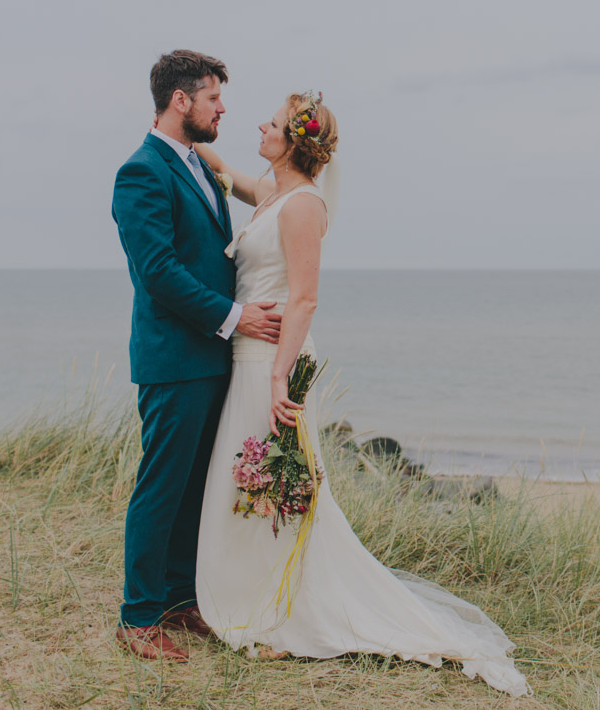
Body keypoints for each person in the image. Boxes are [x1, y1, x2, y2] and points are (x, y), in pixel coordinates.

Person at [191, 93, 529, 697]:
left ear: (293, 140)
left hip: (275, 362)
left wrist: (278, 379)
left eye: (271, 122)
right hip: (251, 357)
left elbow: (305, 298)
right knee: (249, 483)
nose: (260, 127)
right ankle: (260, 598)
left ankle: (283, 613)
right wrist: (181, 132)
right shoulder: (276, 195)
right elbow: (229, 176)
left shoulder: (303, 207)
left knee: (279, 486)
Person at [110, 50, 283, 662]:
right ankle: (137, 617)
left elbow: (216, 255)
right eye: (213, 97)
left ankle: (178, 599)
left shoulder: (198, 166)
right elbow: (158, 272)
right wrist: (237, 318)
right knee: (160, 486)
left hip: (212, 359)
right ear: (180, 100)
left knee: (192, 489)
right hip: (174, 359)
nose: (222, 107)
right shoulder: (141, 172)